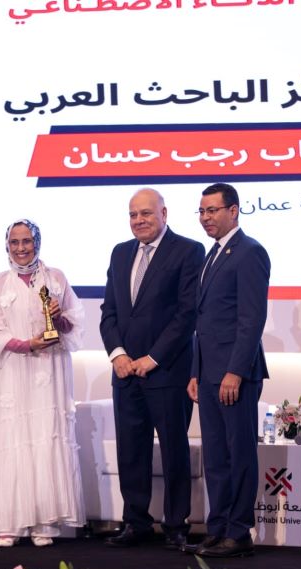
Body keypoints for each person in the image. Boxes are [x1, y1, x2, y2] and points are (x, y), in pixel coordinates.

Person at [99, 188, 205, 550]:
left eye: (146, 213)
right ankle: (136, 522)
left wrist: (153, 357)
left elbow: (187, 314)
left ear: (164, 213)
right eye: (133, 215)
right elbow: (109, 312)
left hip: (167, 372)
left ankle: (176, 526)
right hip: (125, 372)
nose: (139, 220)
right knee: (131, 450)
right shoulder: (120, 252)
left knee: (174, 450)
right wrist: (118, 355)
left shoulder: (188, 250)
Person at [0, 219, 86, 547]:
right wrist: (27, 345)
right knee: (13, 437)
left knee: (44, 436)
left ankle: (44, 523)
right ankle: (9, 524)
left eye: (27, 241)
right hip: (13, 371)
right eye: (15, 242)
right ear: (7, 245)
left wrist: (60, 318)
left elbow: (74, 325)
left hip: (48, 372)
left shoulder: (56, 279)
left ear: (37, 243)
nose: (21, 248)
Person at [185, 182, 270, 558]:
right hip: (208, 373)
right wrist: (196, 371)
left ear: (233, 211)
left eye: (212, 210)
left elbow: (251, 319)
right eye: (202, 211)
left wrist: (235, 371)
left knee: (239, 454)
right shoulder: (212, 253)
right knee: (216, 456)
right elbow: (203, 321)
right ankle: (217, 528)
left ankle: (239, 531)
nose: (205, 218)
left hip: (236, 374)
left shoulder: (250, 252)